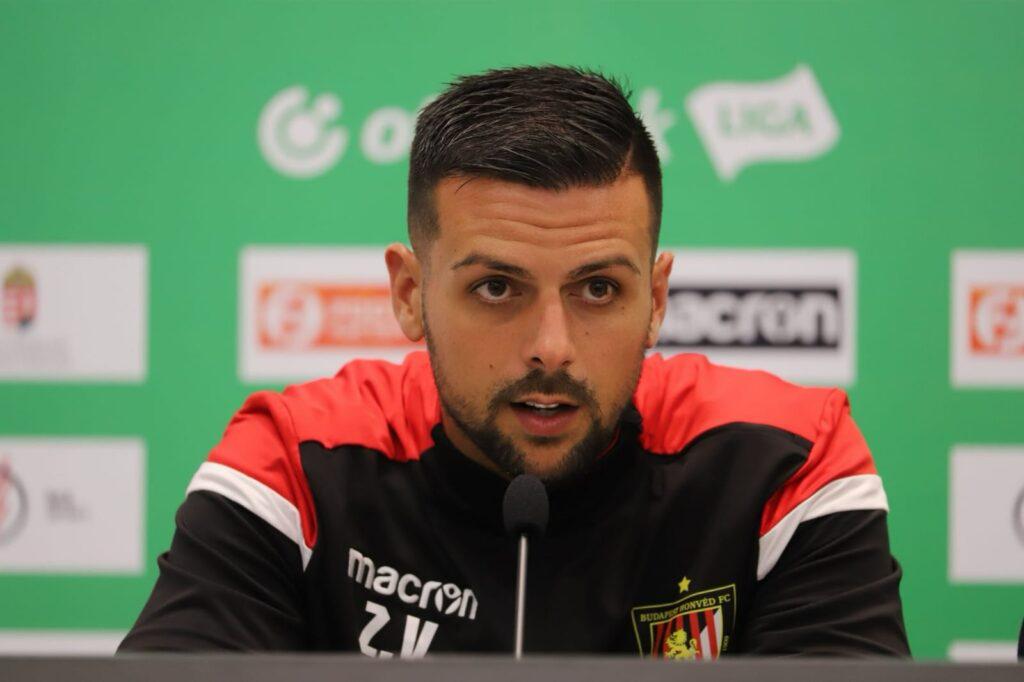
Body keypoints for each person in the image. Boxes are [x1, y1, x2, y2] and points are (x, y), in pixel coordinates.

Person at [119, 65, 909, 657]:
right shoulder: (296, 459)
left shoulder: (787, 461)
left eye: (599, 288)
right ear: (408, 292)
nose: (552, 347)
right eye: (497, 287)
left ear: (657, 300)